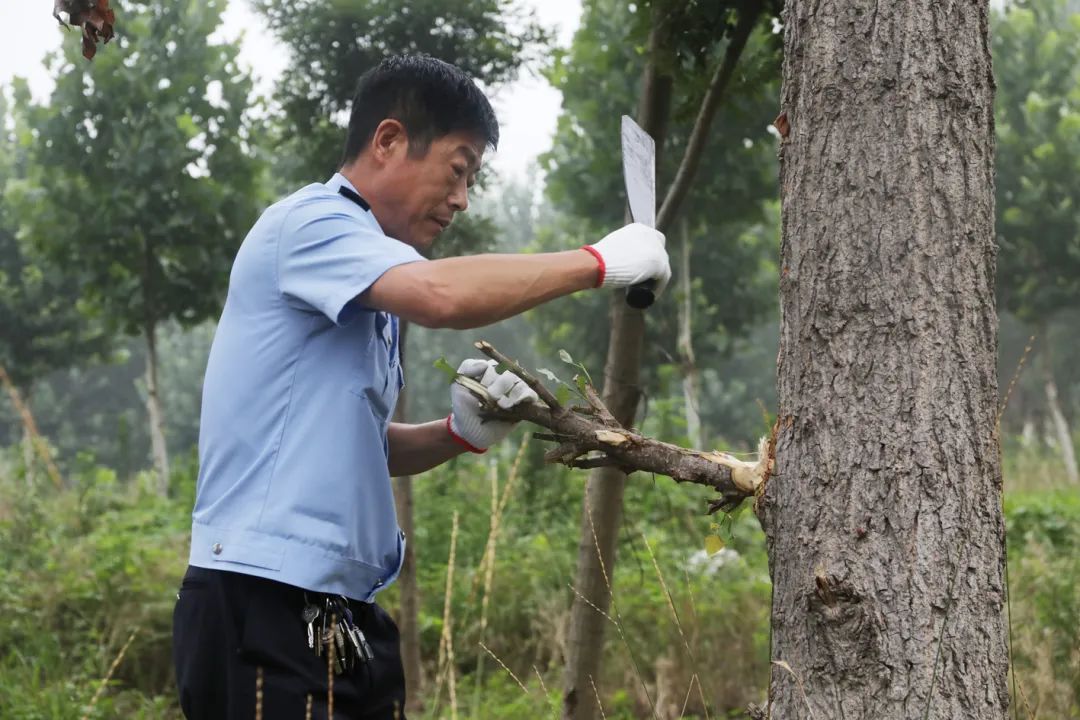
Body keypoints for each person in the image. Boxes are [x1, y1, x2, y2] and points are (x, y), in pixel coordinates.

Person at [172, 54, 670, 720]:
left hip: (344, 611)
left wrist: (454, 433)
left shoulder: (362, 284)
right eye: (458, 170)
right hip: (262, 601)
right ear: (389, 142)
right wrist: (598, 262)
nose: (462, 198)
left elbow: (355, 447)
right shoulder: (310, 225)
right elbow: (438, 295)